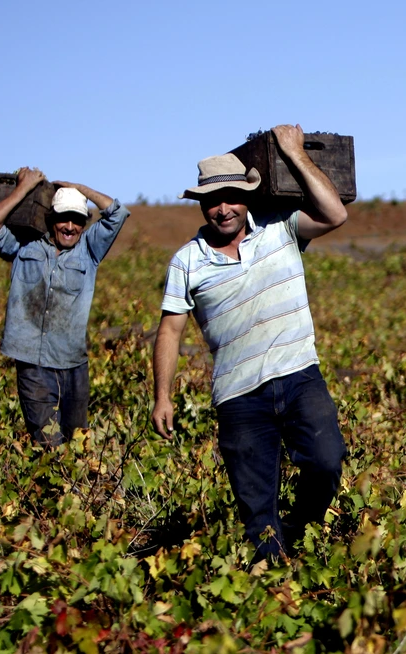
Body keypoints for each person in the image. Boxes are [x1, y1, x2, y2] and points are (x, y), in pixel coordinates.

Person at [151, 124, 348, 561]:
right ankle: (270, 593)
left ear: (249, 196)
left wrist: (296, 154)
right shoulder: (187, 261)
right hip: (238, 397)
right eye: (212, 201)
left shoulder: (282, 229)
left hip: (299, 377)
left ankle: (298, 530)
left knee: (326, 461)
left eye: (231, 197)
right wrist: (162, 396)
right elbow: (170, 329)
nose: (223, 209)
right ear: (201, 205)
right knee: (256, 509)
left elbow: (335, 214)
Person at [0, 168, 129, 445]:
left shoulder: (90, 249)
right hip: (32, 365)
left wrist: (79, 188)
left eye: (77, 220)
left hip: (73, 367)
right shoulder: (24, 245)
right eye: (63, 219)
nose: (70, 227)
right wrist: (22, 189)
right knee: (49, 445)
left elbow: (117, 213)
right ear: (51, 219)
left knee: (77, 445)